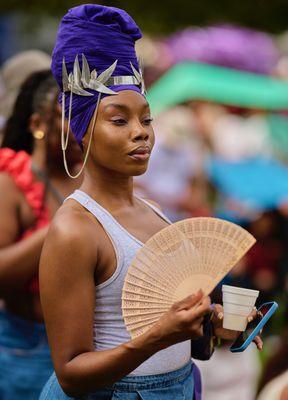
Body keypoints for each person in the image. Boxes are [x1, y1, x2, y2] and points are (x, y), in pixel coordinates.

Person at [39, 5, 262, 399]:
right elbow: (71, 373)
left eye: (146, 119)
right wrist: (157, 337)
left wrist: (213, 324)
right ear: (83, 131)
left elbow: (179, 340)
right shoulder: (76, 229)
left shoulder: (154, 213)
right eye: (119, 120)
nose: (140, 133)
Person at [0, 70, 81, 399]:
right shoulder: (11, 182)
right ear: (37, 125)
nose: (80, 130)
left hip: (87, 350)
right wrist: (62, 226)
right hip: (26, 349)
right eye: (68, 118)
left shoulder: (96, 179)